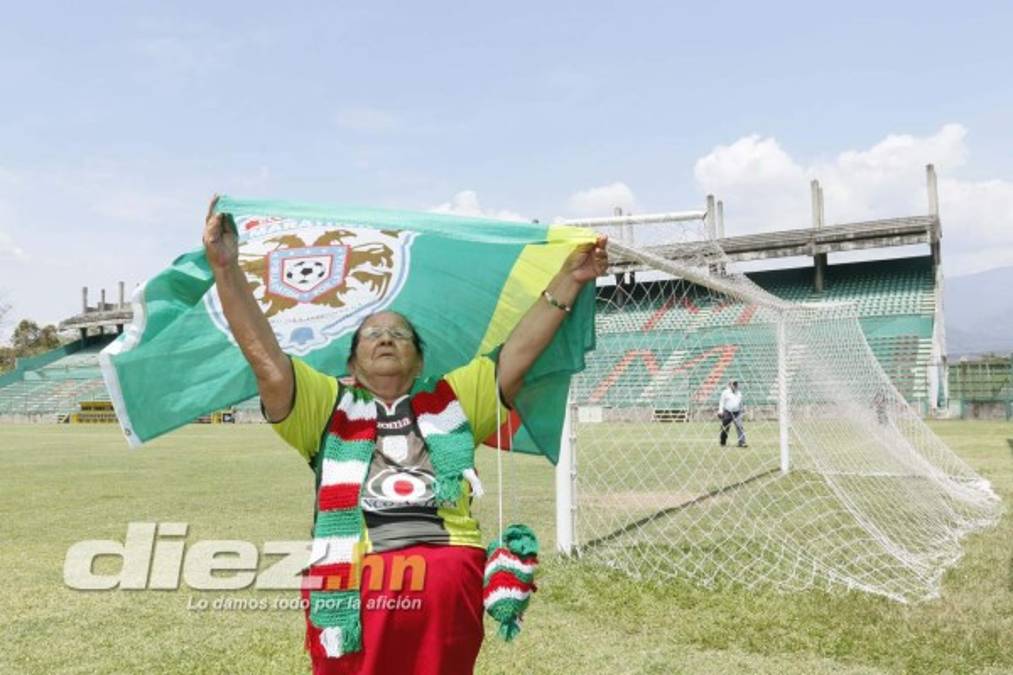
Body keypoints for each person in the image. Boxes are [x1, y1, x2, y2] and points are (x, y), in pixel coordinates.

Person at [202, 196, 608, 675]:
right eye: (372, 335)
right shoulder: (324, 404)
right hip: (355, 577)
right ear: (352, 362)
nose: (386, 338)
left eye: (400, 335)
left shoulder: (456, 397)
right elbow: (268, 363)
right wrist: (226, 269)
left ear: (419, 361)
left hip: (445, 572)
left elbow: (519, 351)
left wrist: (570, 278)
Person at [717, 379, 747, 447]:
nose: (735, 385)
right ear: (730, 385)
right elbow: (721, 402)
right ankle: (723, 441)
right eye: (734, 384)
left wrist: (743, 410)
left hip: (737, 412)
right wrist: (720, 411)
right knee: (725, 427)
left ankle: (742, 442)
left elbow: (741, 403)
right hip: (728, 412)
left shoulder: (739, 393)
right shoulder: (725, 392)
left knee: (740, 426)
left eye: (736, 384)